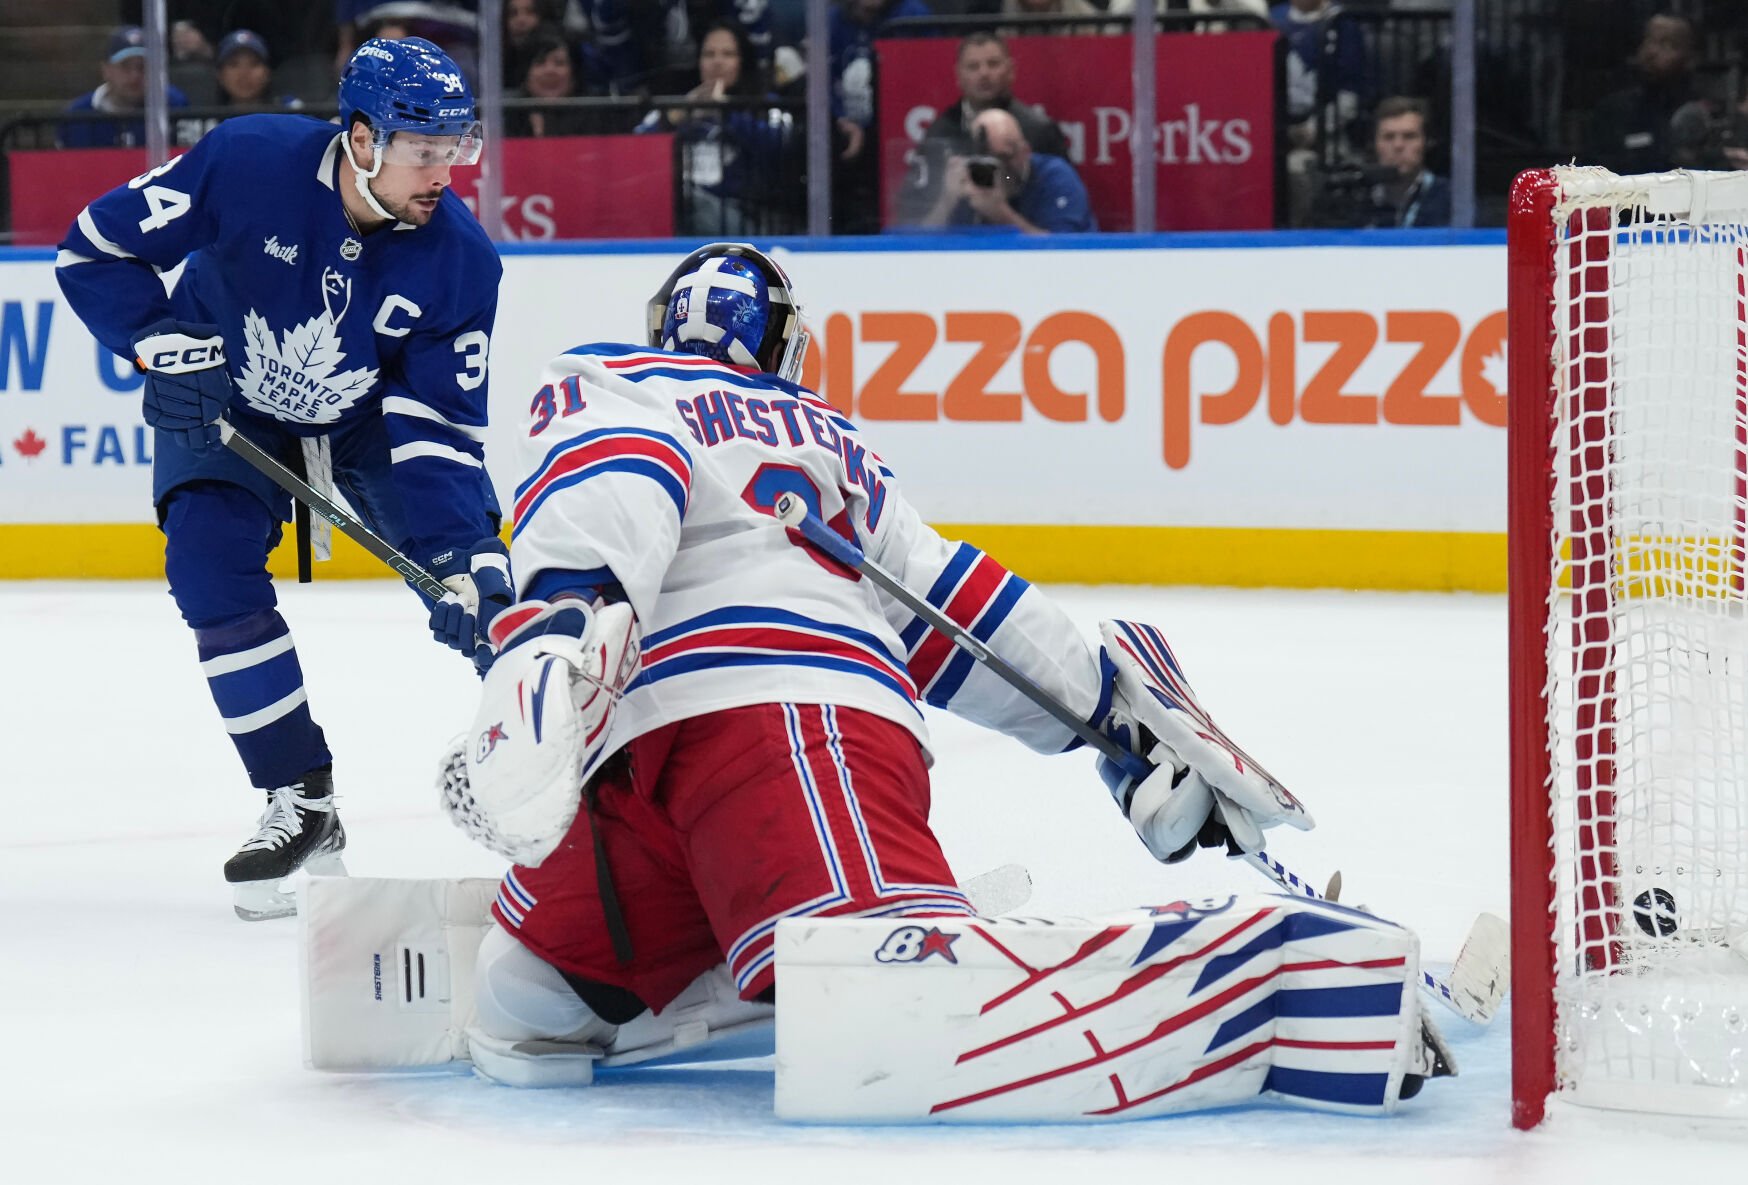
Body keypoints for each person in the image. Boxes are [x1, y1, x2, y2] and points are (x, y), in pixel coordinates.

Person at [333, 243, 1451, 1115]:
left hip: (643, 758)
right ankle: (1249, 985)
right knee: (898, 1015)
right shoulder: (832, 436)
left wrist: (555, 631)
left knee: (522, 1014)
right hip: (793, 728)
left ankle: (1251, 983)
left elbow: (608, 498)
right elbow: (950, 609)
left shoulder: (610, 376)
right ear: (784, 344)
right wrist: (1115, 723)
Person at [53, 37, 511, 922]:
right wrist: (155, 339)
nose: (444, 173)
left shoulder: (461, 261)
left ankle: (600, 789)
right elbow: (95, 250)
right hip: (232, 396)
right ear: (365, 138)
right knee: (207, 568)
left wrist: (465, 553)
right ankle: (302, 796)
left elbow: (437, 425)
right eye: (425, 151)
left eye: (455, 148)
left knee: (486, 601)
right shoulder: (248, 159)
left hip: (370, 421)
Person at [635, 20, 796, 235]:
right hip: (678, 212)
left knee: (687, 199)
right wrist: (673, 119)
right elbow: (634, 146)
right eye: (709, 54)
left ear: (743, 61)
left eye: (728, 54)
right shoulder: (680, 106)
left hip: (743, 216)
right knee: (672, 198)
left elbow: (781, 144)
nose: (717, 62)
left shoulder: (764, 104)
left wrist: (726, 112)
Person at [895, 31, 1069, 224]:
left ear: (1011, 70)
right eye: (973, 67)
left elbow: (1061, 223)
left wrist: (1002, 208)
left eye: (993, 64)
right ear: (958, 75)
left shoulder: (1040, 130)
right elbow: (910, 227)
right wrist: (947, 200)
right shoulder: (939, 135)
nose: (984, 73)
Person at [911, 107, 1094, 233]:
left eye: (1004, 158)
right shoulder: (968, 177)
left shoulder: (1054, 177)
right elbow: (919, 250)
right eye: (988, 162)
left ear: (1025, 151)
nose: (999, 171)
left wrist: (1002, 215)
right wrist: (946, 201)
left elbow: (1067, 253)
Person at [1581, 12, 1703, 175]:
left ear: (1691, 58)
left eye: (1667, 44)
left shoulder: (1704, 115)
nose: (1652, 51)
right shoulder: (1613, 111)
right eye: (1649, 40)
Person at [59, 25, 193, 149]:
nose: (135, 75)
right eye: (125, 66)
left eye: (142, 66)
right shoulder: (78, 115)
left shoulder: (174, 104)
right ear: (106, 70)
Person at [504, 26, 605, 137]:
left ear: (574, 74)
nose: (550, 71)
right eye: (540, 62)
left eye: (559, 63)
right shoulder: (507, 117)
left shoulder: (597, 116)